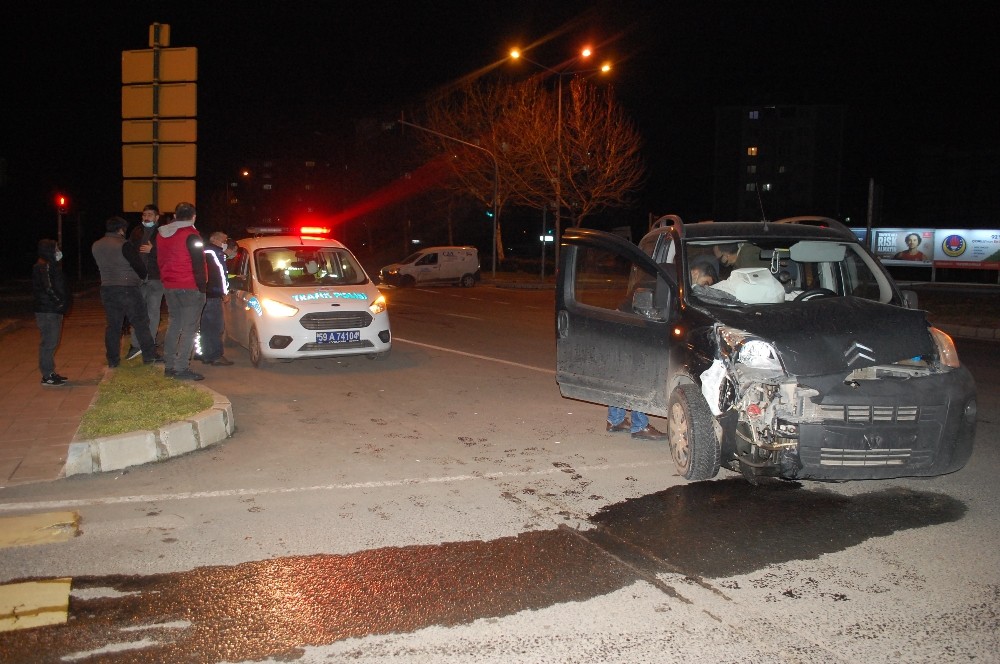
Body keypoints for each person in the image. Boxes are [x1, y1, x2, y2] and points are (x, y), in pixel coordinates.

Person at [91, 216, 159, 368]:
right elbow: (139, 266)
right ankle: (149, 356)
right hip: (128, 287)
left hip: (107, 288)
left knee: (113, 326)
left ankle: (113, 360)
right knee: (140, 323)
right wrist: (142, 277)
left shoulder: (96, 245)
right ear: (121, 229)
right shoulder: (124, 245)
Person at [157, 202, 207, 381]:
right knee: (189, 328)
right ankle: (181, 368)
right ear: (193, 217)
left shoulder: (162, 234)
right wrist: (202, 288)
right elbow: (198, 263)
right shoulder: (192, 236)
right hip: (189, 286)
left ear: (176, 216)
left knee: (174, 324)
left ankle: (169, 365)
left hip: (170, 285)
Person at [125, 203, 164, 360]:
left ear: (156, 217)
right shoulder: (136, 231)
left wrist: (153, 250)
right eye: (144, 214)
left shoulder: (162, 233)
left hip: (155, 278)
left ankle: (149, 344)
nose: (146, 217)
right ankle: (135, 345)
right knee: (137, 312)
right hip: (138, 278)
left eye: (150, 214)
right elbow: (128, 251)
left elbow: (168, 253)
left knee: (153, 313)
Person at [32, 239, 71, 386]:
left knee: (52, 342)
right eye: (55, 248)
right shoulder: (44, 266)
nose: (58, 251)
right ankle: (47, 375)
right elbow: (48, 288)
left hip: (51, 309)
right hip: (48, 310)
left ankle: (50, 372)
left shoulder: (49, 265)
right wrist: (59, 302)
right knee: (49, 342)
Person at [197, 231, 234, 366]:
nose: (226, 243)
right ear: (216, 240)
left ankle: (206, 354)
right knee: (216, 326)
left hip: (203, 294)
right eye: (224, 240)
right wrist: (225, 292)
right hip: (213, 294)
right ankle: (216, 355)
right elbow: (221, 274)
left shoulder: (204, 251)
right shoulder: (216, 253)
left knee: (206, 327)